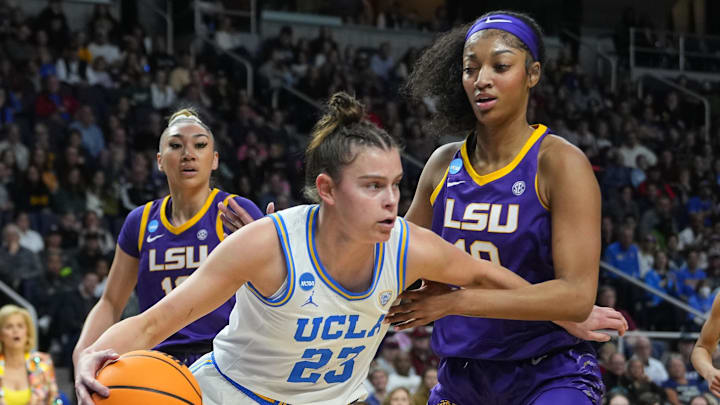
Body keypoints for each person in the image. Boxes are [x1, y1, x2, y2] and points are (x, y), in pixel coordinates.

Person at [75, 92, 624, 405]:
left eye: (395, 186)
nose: (392, 201)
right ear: (328, 191)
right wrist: (88, 360)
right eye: (372, 186)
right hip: (236, 394)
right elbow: (153, 323)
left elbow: (482, 275)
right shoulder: (268, 244)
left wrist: (569, 318)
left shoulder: (407, 247)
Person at [387, 10, 623, 404]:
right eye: (470, 69)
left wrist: (456, 301)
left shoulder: (560, 164)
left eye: (500, 66)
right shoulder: (444, 164)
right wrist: (297, 238)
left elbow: (576, 297)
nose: (482, 80)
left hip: (548, 372)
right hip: (461, 376)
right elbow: (396, 259)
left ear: (532, 74)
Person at [71, 107, 264, 368]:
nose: (188, 154)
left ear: (214, 159)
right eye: (176, 145)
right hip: (158, 361)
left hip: (226, 356)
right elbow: (111, 302)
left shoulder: (235, 211)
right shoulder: (140, 222)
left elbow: (270, 289)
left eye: (200, 145)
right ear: (160, 161)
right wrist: (82, 353)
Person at [0, 304, 60, 404]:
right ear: (1, 335)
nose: (16, 331)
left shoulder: (42, 362)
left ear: (27, 332)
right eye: (9, 326)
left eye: (20, 326)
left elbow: (54, 401)